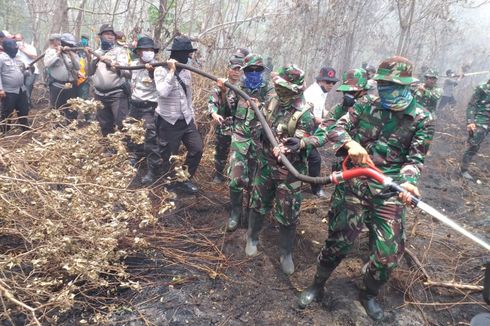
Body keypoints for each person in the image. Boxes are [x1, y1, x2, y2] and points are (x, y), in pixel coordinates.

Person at [296, 56, 434, 321]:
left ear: (406, 85)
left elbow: (415, 160)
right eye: (382, 85)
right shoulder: (366, 105)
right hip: (355, 184)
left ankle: (368, 293)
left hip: (389, 190)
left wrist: (408, 182)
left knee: (387, 255)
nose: (385, 91)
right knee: (337, 242)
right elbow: (335, 127)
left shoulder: (422, 119)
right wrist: (350, 143)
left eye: (391, 86)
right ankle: (317, 284)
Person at [247, 64, 324, 275]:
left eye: (287, 89)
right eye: (279, 87)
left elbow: (305, 140)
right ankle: (252, 237)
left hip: (290, 172)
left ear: (297, 90)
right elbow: (254, 124)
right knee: (258, 203)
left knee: (288, 212)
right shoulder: (270, 103)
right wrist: (261, 133)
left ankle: (286, 253)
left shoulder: (305, 114)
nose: (282, 92)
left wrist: (294, 144)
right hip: (265, 166)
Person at [142, 35, 203, 194]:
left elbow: (188, 97)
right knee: (169, 156)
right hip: (169, 121)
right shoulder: (160, 70)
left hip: (186, 119)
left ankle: (184, 179)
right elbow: (162, 92)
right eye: (186, 53)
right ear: (177, 54)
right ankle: (169, 183)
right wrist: (172, 71)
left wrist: (193, 118)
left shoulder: (187, 72)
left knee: (197, 148)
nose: (188, 57)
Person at [226, 53, 275, 232]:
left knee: (255, 183)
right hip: (239, 140)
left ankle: (249, 215)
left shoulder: (269, 89)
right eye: (250, 70)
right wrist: (225, 93)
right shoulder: (237, 87)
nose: (254, 73)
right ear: (244, 71)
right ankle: (235, 213)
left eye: (257, 70)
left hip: (260, 143)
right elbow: (227, 110)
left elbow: (273, 112)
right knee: (236, 179)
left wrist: (259, 106)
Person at [88, 24, 131, 136]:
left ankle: (127, 149)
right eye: (107, 34)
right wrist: (93, 59)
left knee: (122, 123)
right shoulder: (96, 52)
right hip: (99, 94)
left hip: (116, 94)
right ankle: (109, 148)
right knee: (104, 124)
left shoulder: (120, 52)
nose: (110, 36)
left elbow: (127, 72)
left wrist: (115, 67)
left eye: (112, 34)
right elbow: (90, 72)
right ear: (100, 36)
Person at [303, 66, 339, 197]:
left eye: (333, 82)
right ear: (320, 80)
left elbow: (322, 110)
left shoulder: (322, 92)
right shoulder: (312, 93)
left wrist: (333, 115)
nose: (331, 85)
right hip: (305, 130)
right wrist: (327, 122)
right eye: (328, 82)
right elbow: (310, 116)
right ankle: (316, 189)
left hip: (314, 130)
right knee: (315, 159)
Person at [208, 56, 243, 183]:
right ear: (228, 69)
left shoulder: (244, 88)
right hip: (225, 125)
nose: (236, 72)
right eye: (234, 69)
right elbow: (212, 104)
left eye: (239, 69)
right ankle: (218, 174)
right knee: (221, 151)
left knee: (239, 153)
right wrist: (214, 114)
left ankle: (236, 176)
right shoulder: (219, 86)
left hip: (240, 126)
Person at [127, 36, 159, 166]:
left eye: (150, 49)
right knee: (134, 132)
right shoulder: (133, 65)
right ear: (139, 51)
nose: (148, 51)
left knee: (150, 135)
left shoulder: (159, 67)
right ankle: (136, 156)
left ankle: (153, 166)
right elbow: (124, 73)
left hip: (149, 107)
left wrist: (152, 73)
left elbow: (162, 88)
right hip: (134, 105)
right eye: (145, 49)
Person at [44, 33, 80, 120]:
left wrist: (70, 54)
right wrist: (58, 53)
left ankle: (71, 127)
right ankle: (57, 128)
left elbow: (77, 67)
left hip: (71, 86)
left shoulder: (72, 53)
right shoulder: (50, 52)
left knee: (72, 109)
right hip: (57, 86)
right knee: (57, 109)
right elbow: (47, 64)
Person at [460, 79, 490, 181]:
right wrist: (470, 121)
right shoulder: (483, 88)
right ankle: (463, 170)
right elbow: (471, 105)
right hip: (481, 121)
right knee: (474, 145)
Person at [0, 39, 29, 132]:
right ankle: (4, 131)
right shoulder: (1, 59)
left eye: (16, 48)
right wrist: (0, 89)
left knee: (24, 110)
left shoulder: (17, 58)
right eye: (14, 48)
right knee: (7, 112)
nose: (15, 49)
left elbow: (22, 73)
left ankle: (25, 130)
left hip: (21, 89)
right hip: (9, 91)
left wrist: (28, 70)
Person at [14, 33, 38, 108]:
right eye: (16, 40)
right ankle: (23, 104)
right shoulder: (13, 48)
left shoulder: (30, 47)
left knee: (28, 86)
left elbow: (34, 56)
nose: (18, 42)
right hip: (18, 71)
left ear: (23, 39)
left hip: (31, 70)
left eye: (19, 40)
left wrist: (23, 49)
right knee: (21, 88)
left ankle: (27, 104)